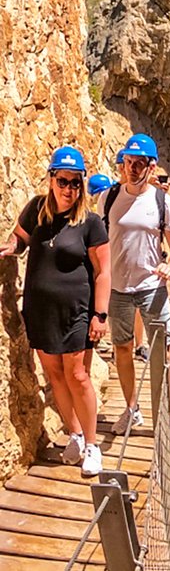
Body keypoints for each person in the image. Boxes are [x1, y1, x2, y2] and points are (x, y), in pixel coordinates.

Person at [1, 148, 110, 476]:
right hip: (40, 309)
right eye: (63, 181)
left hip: (75, 311)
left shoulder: (90, 223)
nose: (69, 189)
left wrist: (100, 315)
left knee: (77, 375)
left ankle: (93, 445)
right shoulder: (36, 209)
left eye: (76, 183)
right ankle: (74, 434)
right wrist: (12, 247)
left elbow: (104, 271)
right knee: (54, 375)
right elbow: (18, 238)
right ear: (51, 180)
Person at [101, 134, 170, 447]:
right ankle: (131, 408)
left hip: (152, 287)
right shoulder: (109, 198)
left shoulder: (162, 202)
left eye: (140, 163)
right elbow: (101, 241)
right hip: (118, 288)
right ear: (122, 164)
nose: (133, 168)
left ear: (151, 167)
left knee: (164, 353)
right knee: (122, 349)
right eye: (128, 162)